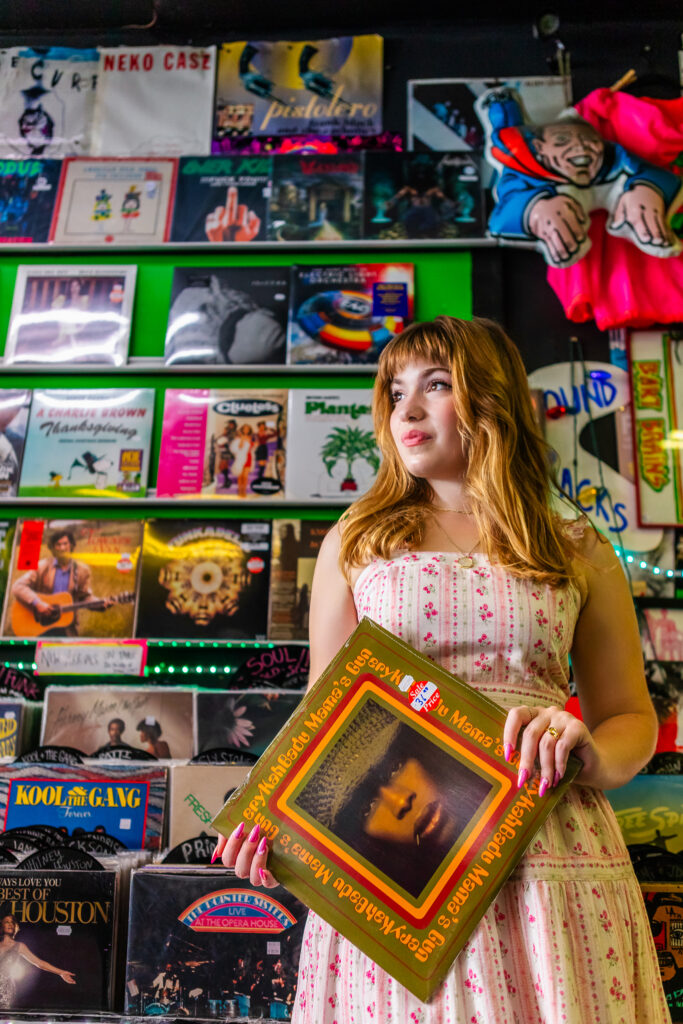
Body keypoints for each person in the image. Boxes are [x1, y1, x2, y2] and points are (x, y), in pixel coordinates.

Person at [214, 315, 667, 1022]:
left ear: (491, 398)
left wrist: (586, 752)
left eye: (435, 385)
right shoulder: (357, 538)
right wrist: (279, 827)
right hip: (395, 863)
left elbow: (631, 720)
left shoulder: (575, 545)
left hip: (542, 851)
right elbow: (320, 720)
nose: (407, 410)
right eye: (395, 393)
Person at [11, 527, 113, 637]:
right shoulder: (42, 566)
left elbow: (85, 597)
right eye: (58, 545)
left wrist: (100, 604)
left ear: (72, 546)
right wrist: (38, 603)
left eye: (65, 544)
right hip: (39, 626)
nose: (62, 548)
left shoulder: (82, 571)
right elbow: (18, 586)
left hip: (66, 627)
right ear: (53, 548)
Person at [0, 913, 75, 1007]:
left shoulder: (19, 946)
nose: (10, 924)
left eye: (12, 922)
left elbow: (39, 963)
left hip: (6, 991)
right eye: (7, 922)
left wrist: (61, 972)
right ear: (1, 925)